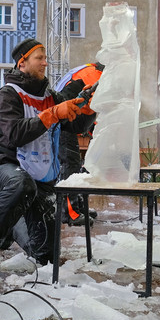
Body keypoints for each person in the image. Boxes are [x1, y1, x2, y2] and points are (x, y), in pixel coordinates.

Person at [0, 38, 90, 275]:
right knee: (21, 184)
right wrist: (53, 113)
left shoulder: (50, 96)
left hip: (41, 177)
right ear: (22, 63)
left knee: (47, 256)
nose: (46, 63)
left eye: (46, 58)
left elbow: (75, 126)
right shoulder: (7, 94)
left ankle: (12, 224)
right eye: (40, 58)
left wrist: (87, 108)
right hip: (7, 165)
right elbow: (15, 133)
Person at [53, 61, 104, 225]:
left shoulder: (94, 72)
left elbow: (89, 111)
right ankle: (69, 213)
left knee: (77, 166)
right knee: (70, 164)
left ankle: (79, 206)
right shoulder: (96, 77)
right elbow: (93, 106)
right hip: (61, 122)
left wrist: (93, 129)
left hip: (70, 121)